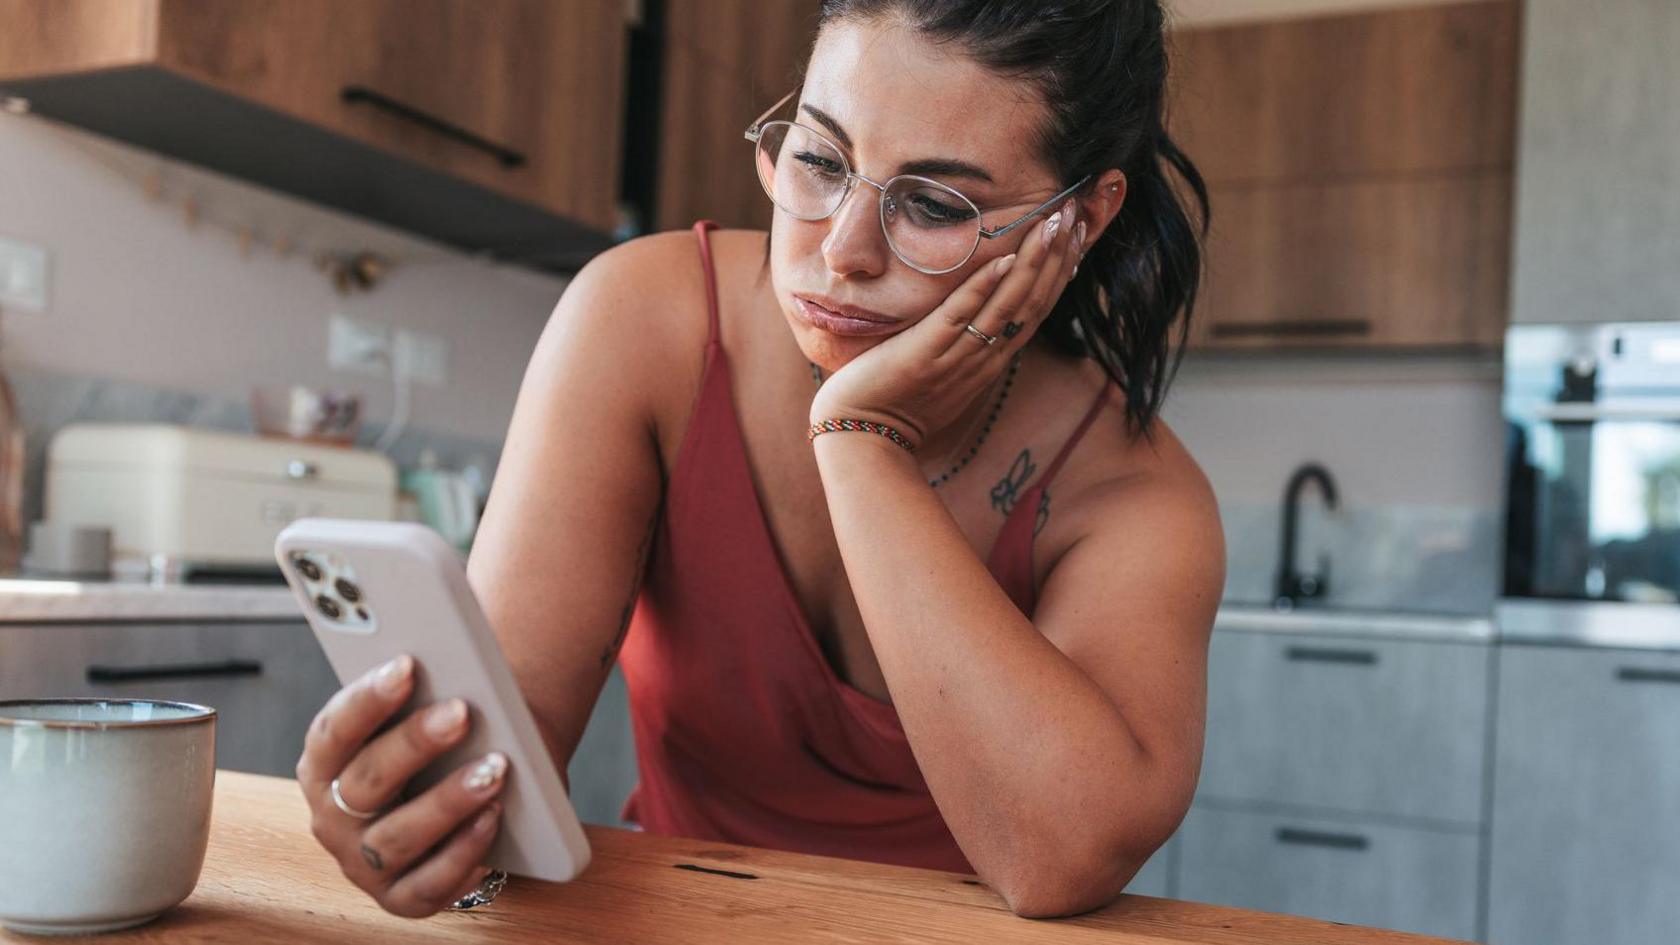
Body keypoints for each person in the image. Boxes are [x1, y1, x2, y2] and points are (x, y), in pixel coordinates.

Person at [293, 0, 1224, 920]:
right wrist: (431, 824)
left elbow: (1058, 855)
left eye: (936, 204)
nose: (843, 252)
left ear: (1085, 217)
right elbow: (501, 755)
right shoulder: (647, 321)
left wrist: (862, 442)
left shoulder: (1133, 494)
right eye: (820, 159)